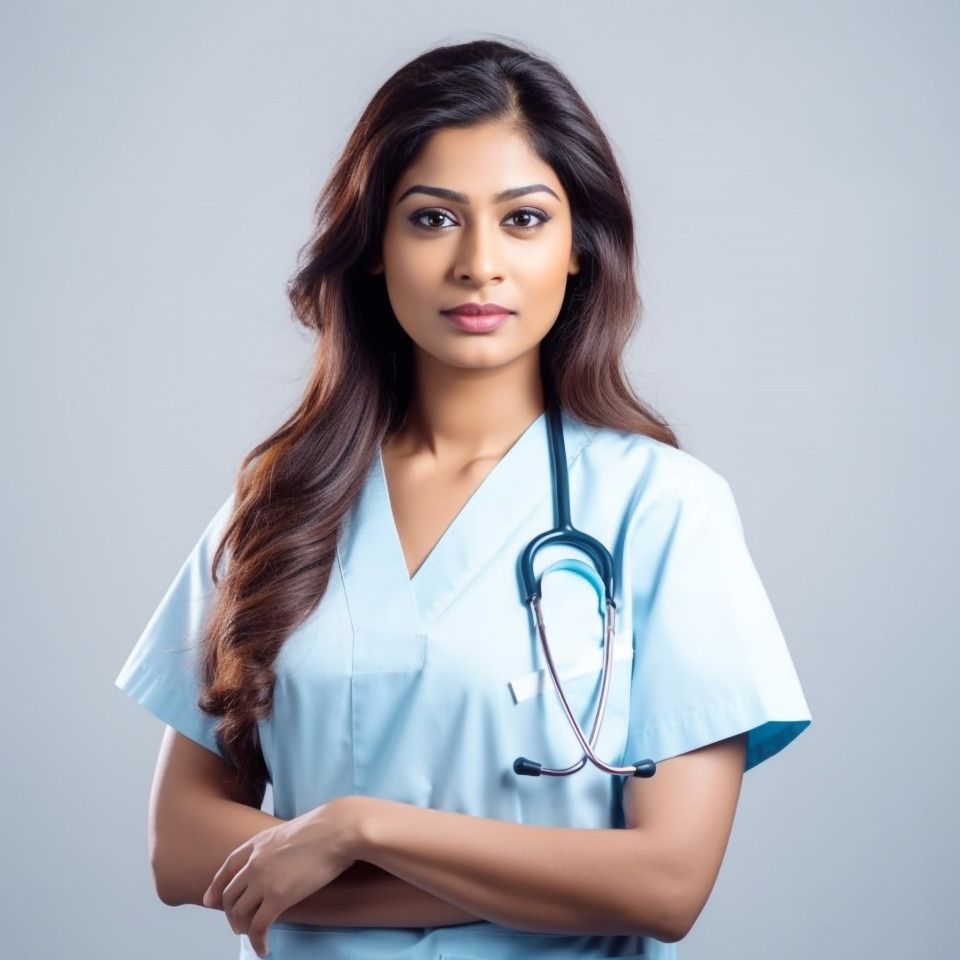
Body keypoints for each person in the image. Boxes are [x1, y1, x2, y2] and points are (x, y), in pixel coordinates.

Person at [115, 37, 811, 960]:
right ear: (373, 247)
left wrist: (359, 828)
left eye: (523, 219)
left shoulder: (663, 509)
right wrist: (536, 886)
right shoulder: (280, 508)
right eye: (433, 218)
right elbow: (180, 849)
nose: (479, 263)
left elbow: (666, 883)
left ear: (578, 249)